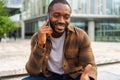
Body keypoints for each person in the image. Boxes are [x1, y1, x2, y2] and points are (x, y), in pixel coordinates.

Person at [22, 0, 97, 80]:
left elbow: (90, 65)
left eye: (66, 17)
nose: (61, 21)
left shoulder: (80, 36)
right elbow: (32, 71)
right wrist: (40, 44)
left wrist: (88, 77)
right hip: (49, 76)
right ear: (48, 16)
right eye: (56, 15)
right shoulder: (37, 37)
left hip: (72, 76)